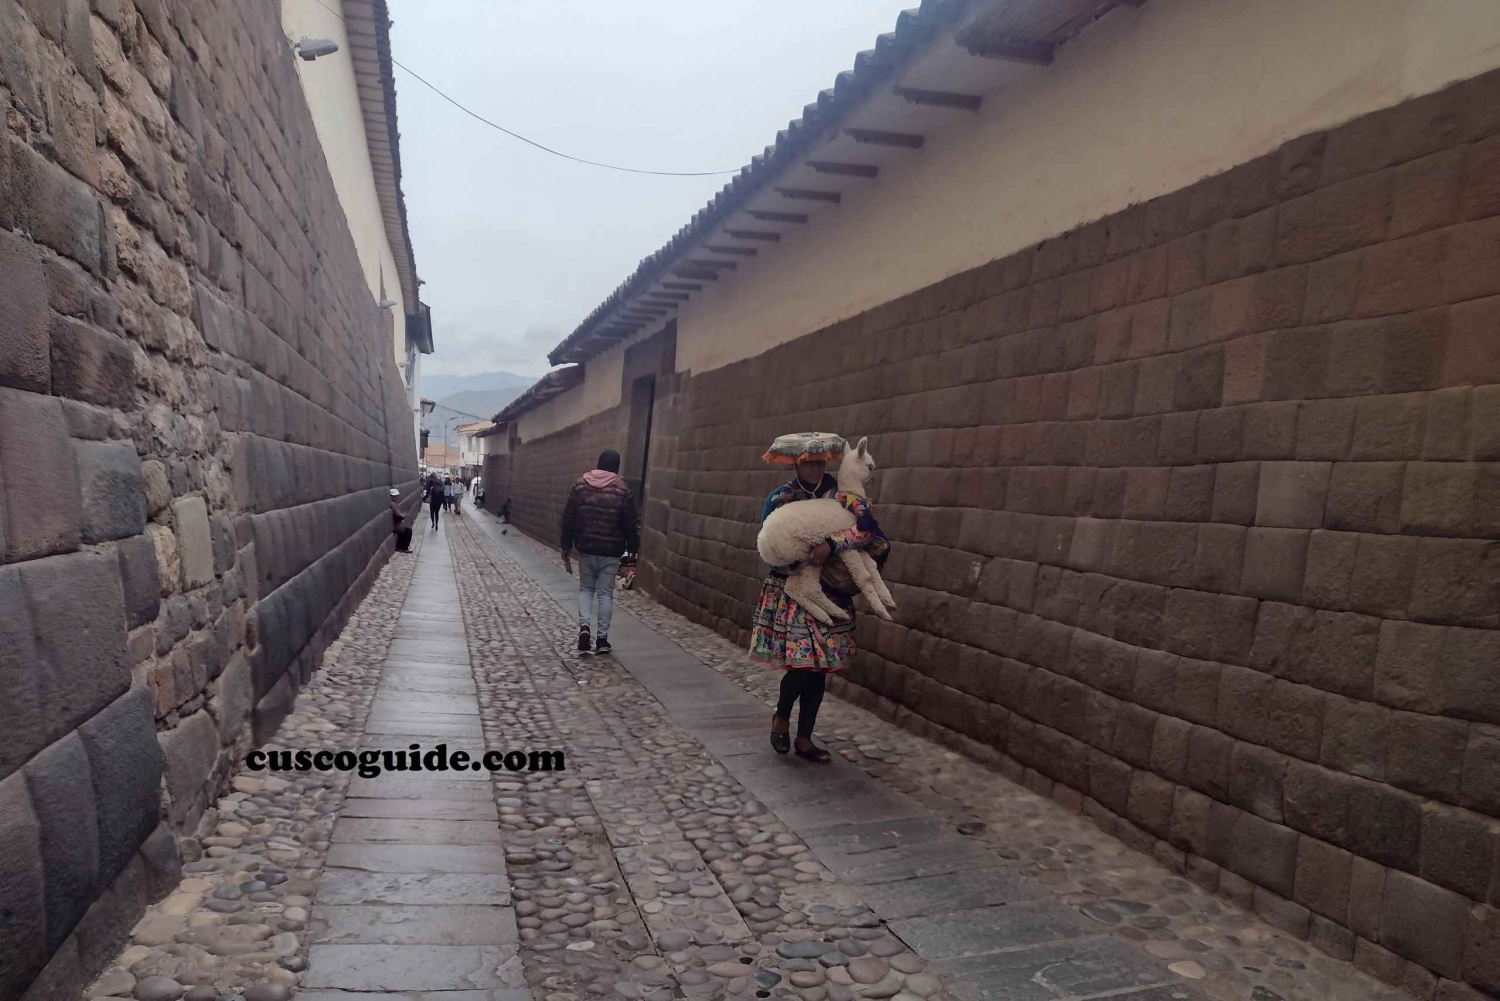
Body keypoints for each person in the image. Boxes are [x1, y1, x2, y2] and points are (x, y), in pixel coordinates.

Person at [750, 432, 889, 763]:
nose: (815, 469)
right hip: (793, 588)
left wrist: (833, 545)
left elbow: (869, 532)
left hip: (832, 589)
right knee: (802, 664)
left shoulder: (841, 495)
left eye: (820, 462)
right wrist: (802, 557)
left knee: (820, 667)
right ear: (798, 462)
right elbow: (769, 545)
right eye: (808, 463)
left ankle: (805, 737)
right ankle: (782, 715)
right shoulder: (781, 498)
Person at [560, 450, 639, 655]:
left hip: (586, 548)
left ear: (598, 463)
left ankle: (585, 628)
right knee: (605, 593)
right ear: (616, 467)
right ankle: (602, 640)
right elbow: (630, 522)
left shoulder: (579, 485)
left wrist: (565, 544)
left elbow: (568, 517)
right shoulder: (623, 490)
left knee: (586, 589)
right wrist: (633, 548)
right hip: (611, 551)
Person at [389, 488, 412, 552]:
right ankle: (403, 547)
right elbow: (398, 514)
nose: (396, 497)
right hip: (396, 524)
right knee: (407, 531)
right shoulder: (393, 504)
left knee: (408, 530)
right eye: (395, 496)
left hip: (397, 523)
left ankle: (402, 546)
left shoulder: (395, 504)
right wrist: (403, 515)